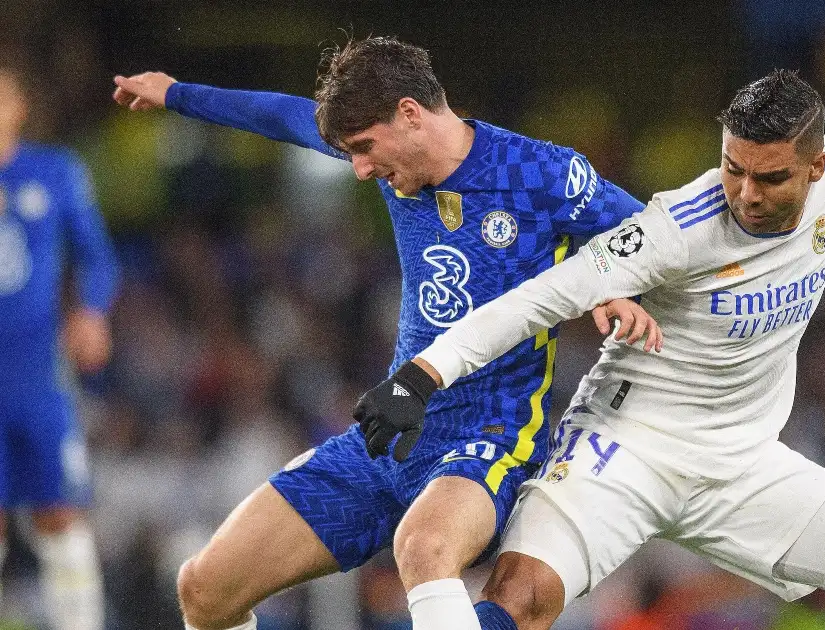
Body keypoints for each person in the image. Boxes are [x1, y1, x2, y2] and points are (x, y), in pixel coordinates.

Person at [379, 31, 825, 630]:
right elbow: (540, 299)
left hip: (741, 462)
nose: (745, 194)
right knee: (521, 596)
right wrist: (421, 375)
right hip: (624, 447)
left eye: (770, 178)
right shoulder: (675, 227)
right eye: (732, 168)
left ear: (815, 167)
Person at [111, 36, 661, 630]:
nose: (359, 169)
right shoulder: (392, 167)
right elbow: (280, 114)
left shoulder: (541, 172)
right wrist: (176, 94)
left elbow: (660, 237)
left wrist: (611, 279)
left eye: (365, 149)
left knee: (423, 550)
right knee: (204, 588)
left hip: (489, 439)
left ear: (409, 114)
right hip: (389, 433)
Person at [0, 66, 116, 630]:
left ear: (19, 105)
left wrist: (90, 310)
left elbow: (96, 256)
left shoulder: (54, 171)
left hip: (38, 374)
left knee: (60, 515)